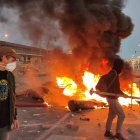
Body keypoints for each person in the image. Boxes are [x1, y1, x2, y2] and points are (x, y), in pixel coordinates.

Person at [94, 58, 127, 140]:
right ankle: (118, 133)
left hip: (111, 98)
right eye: (121, 67)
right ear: (119, 66)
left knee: (112, 115)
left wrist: (123, 94)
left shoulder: (114, 74)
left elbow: (116, 89)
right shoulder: (113, 74)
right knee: (122, 115)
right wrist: (98, 88)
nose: (122, 69)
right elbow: (103, 78)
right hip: (112, 99)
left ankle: (107, 132)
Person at [0, 47, 19, 140]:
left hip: (5, 122)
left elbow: (12, 97)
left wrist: (15, 117)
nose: (14, 62)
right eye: (13, 59)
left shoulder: (10, 76)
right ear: (4, 57)